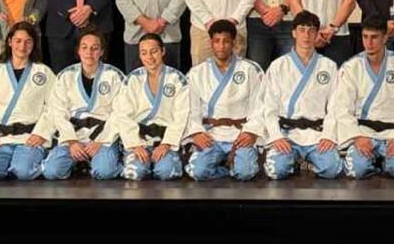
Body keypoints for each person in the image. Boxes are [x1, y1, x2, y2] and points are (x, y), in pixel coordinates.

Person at [332, 15, 394, 179]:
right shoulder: (351, 67)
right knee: (355, 171)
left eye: (374, 37)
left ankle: (384, 162)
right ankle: (375, 163)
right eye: (365, 37)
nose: (369, 43)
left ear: (385, 37)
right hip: (364, 132)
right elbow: (342, 108)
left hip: (393, 132)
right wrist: (357, 137)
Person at [0, 21, 55, 180]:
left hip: (30, 139)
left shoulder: (43, 72)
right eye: (18, 41)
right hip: (0, 138)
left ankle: (22, 163)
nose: (22, 46)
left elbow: (55, 107)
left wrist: (41, 134)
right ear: (10, 42)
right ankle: (8, 164)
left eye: (28, 41)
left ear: (34, 44)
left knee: (24, 172)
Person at [260, 11, 342, 180]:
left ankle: (304, 163)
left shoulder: (329, 66)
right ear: (293, 33)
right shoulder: (278, 66)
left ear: (317, 34)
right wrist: (276, 136)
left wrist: (328, 135)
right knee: (276, 171)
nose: (306, 35)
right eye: (302, 30)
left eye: (311, 30)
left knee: (332, 169)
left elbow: (335, 107)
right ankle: (293, 161)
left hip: (317, 134)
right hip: (287, 133)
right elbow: (269, 107)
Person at [182, 20, 265, 181]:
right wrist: (197, 132)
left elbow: (259, 106)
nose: (221, 46)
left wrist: (251, 132)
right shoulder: (197, 73)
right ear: (210, 43)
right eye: (217, 41)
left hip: (240, 133)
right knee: (197, 173)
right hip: (210, 133)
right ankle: (227, 168)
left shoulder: (250, 69)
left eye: (226, 41)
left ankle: (237, 165)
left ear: (233, 43)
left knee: (246, 173)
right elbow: (191, 109)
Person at [40, 28, 127, 180]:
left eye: (95, 48)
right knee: (51, 171)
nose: (89, 52)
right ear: (78, 51)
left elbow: (120, 112)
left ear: (101, 52)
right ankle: (78, 162)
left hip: (103, 137)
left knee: (104, 172)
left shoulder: (114, 76)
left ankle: (110, 161)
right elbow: (57, 111)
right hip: (74, 136)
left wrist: (101, 140)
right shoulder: (66, 76)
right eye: (84, 47)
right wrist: (72, 141)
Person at [109, 34, 191, 180]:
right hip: (140, 140)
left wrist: (166, 144)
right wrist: (135, 145)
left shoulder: (177, 79)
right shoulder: (132, 80)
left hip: (166, 140)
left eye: (154, 51)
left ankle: (167, 161)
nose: (149, 57)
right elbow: (123, 115)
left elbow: (181, 116)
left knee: (166, 173)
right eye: (144, 53)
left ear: (163, 51)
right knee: (134, 174)